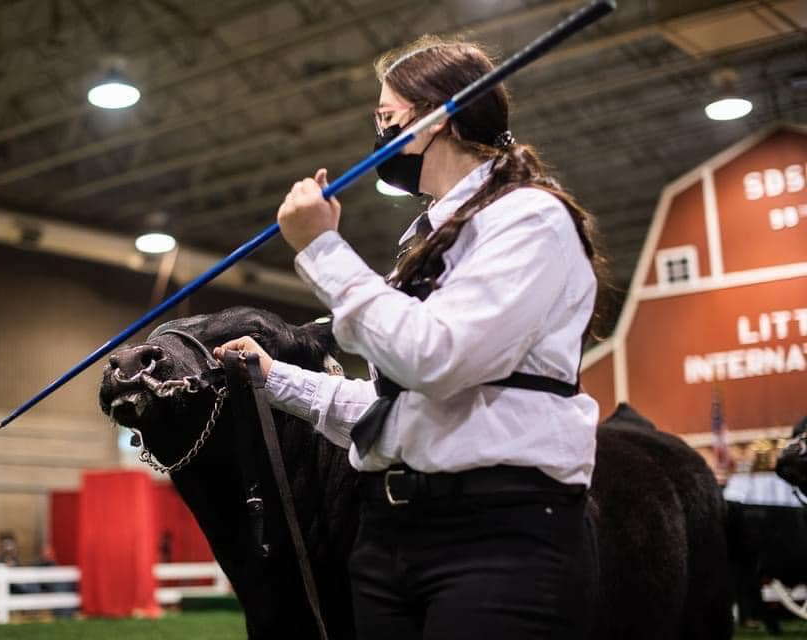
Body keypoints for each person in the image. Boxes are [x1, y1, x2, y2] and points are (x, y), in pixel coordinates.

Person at [214, 36, 608, 639]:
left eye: (385, 116)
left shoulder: (529, 218)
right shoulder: (422, 242)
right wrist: (274, 379)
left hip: (500, 533)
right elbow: (398, 409)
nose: (377, 134)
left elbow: (435, 359)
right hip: (391, 534)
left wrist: (321, 249)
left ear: (435, 118)